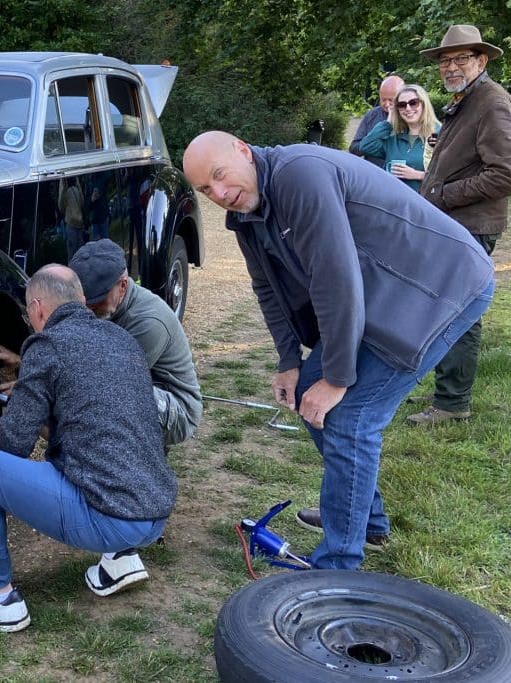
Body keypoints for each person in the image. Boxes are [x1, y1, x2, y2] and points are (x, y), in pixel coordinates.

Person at [181, 131, 494, 570]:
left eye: (219, 176)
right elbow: (267, 288)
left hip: (438, 286)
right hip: (380, 295)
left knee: (351, 415)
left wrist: (338, 378)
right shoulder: (247, 214)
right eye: (204, 190)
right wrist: (291, 362)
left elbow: (336, 279)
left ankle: (336, 567)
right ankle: (366, 520)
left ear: (243, 152)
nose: (219, 194)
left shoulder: (300, 176)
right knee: (310, 393)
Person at [0, 265, 174, 631]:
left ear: (37, 309)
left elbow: (12, 445)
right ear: (80, 300)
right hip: (155, 510)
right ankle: (121, 562)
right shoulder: (121, 339)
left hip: (109, 517)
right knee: (113, 444)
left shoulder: (47, 346)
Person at [0, 239, 202, 447]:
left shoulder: (149, 323)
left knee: (85, 407)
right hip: (130, 380)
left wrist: (30, 390)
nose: (89, 307)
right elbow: (73, 359)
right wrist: (23, 361)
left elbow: (97, 381)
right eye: (85, 299)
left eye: (99, 298)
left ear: (123, 285)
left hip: (174, 409)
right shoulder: (106, 309)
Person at [407, 24, 511, 426]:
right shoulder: (466, 99)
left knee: (459, 310)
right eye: (445, 60)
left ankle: (452, 404)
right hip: (455, 223)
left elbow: (504, 173)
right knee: (445, 306)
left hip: (470, 223)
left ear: (481, 61)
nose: (450, 66)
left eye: (461, 58)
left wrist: (442, 194)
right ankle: (446, 394)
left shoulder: (491, 101)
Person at [358, 84, 442, 192]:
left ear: (424, 104)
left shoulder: (439, 135)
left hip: (425, 204)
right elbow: (365, 146)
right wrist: (389, 122)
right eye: (402, 105)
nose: (408, 108)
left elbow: (450, 176)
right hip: (394, 202)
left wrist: (417, 175)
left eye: (413, 103)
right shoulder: (394, 138)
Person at [349, 74, 405, 168]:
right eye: (383, 99)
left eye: (391, 100)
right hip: (374, 173)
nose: (387, 104)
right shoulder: (372, 115)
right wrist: (371, 141)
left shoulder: (410, 116)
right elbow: (354, 148)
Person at [58, 176, 87, 258]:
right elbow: (82, 203)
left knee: (72, 253)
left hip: (71, 225)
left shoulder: (65, 193)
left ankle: (72, 270)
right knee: (81, 252)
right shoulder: (77, 190)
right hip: (80, 224)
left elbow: (61, 207)